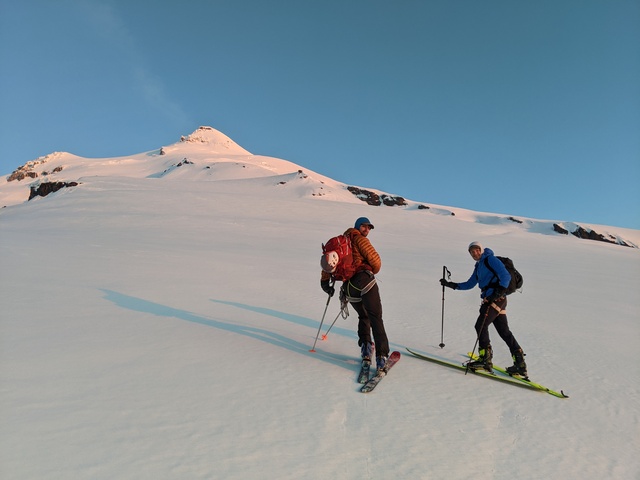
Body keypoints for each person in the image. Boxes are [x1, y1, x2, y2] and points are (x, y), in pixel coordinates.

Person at [440, 241, 528, 377]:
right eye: (471, 252)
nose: (474, 253)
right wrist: (451, 285)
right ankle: (520, 364)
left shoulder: (490, 259)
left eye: (476, 250)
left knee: (480, 325)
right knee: (504, 331)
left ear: (481, 250)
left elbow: (506, 276)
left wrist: (496, 294)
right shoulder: (479, 266)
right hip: (496, 299)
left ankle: (485, 361)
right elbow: (470, 284)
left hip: (495, 299)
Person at [320, 217, 390, 371]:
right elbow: (376, 261)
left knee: (363, 316)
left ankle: (366, 349)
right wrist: (371, 270)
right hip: (364, 281)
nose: (367, 230)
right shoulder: (359, 239)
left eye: (369, 227)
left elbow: (328, 263)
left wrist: (325, 284)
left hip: (348, 288)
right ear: (358, 227)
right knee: (375, 317)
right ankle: (381, 357)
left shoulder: (341, 243)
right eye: (364, 226)